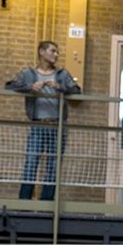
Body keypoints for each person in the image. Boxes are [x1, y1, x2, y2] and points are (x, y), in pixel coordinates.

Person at [5, 40, 81, 201]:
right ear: (41, 52)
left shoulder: (62, 75)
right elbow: (10, 86)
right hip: (38, 124)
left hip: (58, 126)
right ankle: (24, 201)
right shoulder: (28, 74)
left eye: (57, 52)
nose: (56, 55)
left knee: (53, 166)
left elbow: (76, 90)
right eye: (53, 51)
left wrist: (60, 86)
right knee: (31, 162)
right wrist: (30, 87)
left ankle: (46, 203)